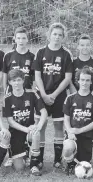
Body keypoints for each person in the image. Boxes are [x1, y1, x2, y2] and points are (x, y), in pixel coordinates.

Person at [33, 23, 73, 169]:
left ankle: (57, 160)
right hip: (41, 94)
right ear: (49, 35)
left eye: (60, 35)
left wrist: (54, 95)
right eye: (54, 34)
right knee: (41, 126)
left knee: (58, 126)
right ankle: (39, 159)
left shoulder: (66, 54)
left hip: (59, 96)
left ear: (63, 37)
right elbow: (37, 76)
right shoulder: (40, 52)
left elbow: (67, 78)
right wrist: (43, 94)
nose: (57, 37)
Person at [1, 69, 48, 176]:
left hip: (30, 129)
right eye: (13, 80)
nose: (16, 83)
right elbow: (11, 122)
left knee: (35, 134)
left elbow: (44, 112)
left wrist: (38, 126)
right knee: (19, 168)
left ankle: (34, 165)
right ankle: (20, 156)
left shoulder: (32, 94)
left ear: (23, 80)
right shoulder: (7, 98)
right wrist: (26, 129)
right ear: (9, 82)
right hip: (16, 132)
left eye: (18, 80)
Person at [2, 27, 36, 167]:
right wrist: (5, 91)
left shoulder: (32, 56)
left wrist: (33, 92)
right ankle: (12, 154)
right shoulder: (8, 55)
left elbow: (34, 77)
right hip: (13, 94)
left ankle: (27, 154)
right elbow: (5, 75)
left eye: (24, 38)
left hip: (26, 93)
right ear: (14, 39)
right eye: (18, 38)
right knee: (13, 123)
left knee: (27, 122)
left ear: (27, 39)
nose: (21, 40)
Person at [62, 66, 93, 175]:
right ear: (78, 80)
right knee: (68, 148)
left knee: (84, 162)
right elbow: (66, 119)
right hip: (72, 134)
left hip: (87, 136)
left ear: (91, 82)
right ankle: (68, 164)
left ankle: (75, 159)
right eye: (82, 80)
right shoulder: (70, 98)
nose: (84, 83)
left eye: (87, 80)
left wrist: (80, 130)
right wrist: (70, 131)